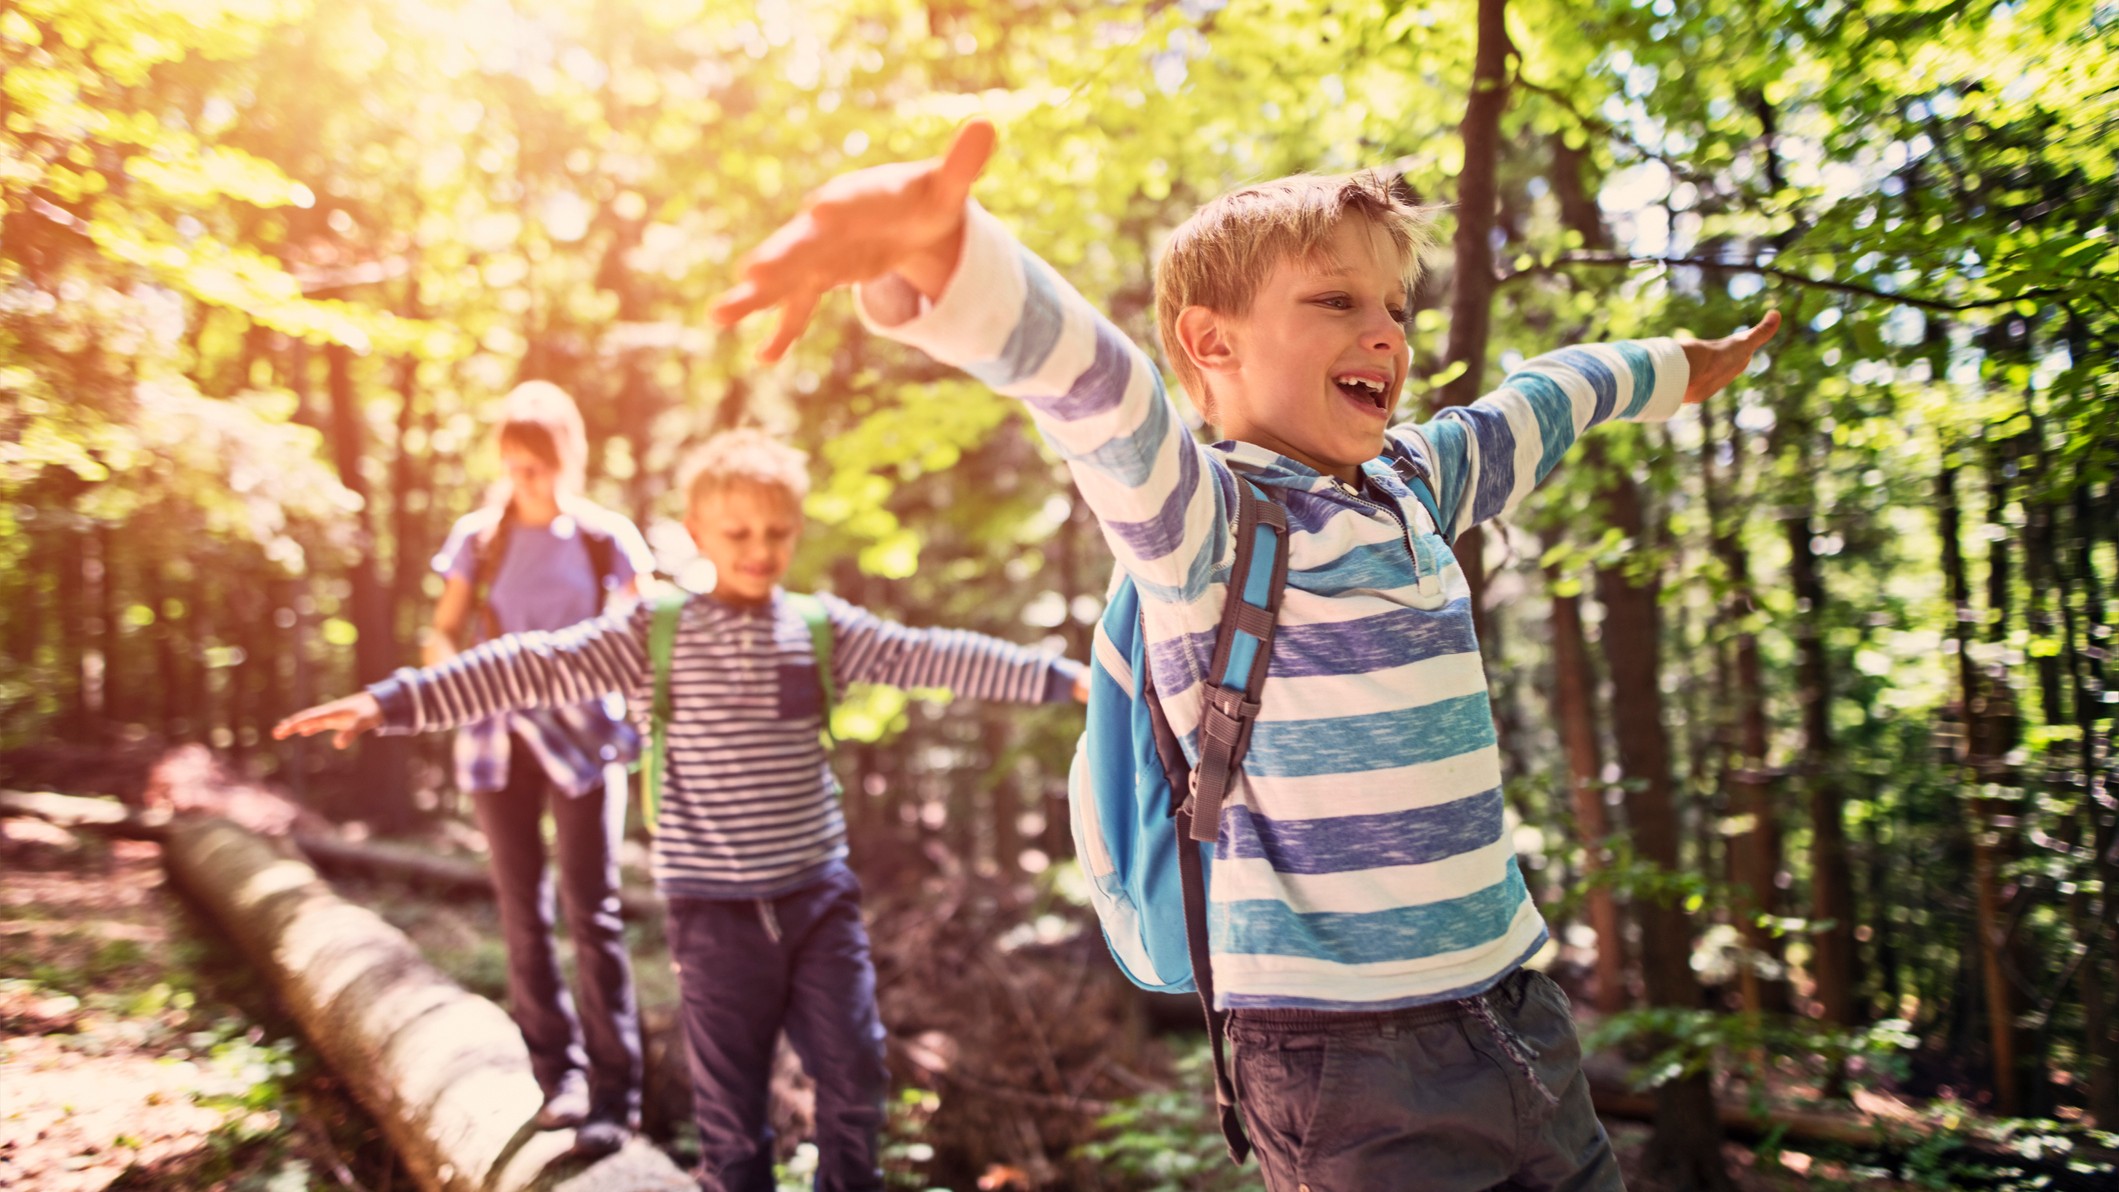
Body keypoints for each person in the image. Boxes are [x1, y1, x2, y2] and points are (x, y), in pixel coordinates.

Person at [708, 121, 1779, 1191]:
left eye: (1394, 310)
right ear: (1212, 344)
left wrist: (1680, 366)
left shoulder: (1419, 481)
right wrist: (951, 255)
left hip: (1516, 1012)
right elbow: (1098, 393)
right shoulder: (1206, 525)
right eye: (1336, 302)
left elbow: (1547, 397)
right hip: (1344, 1062)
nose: (1387, 336)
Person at [277, 427, 1088, 1192]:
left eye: (775, 533)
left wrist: (1063, 680)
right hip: (713, 912)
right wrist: (393, 703)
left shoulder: (817, 629)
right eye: (736, 535)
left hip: (817, 899)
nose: (759, 552)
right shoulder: (651, 632)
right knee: (732, 1116)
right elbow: (527, 665)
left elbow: (931, 655)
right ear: (697, 532)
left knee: (855, 1077)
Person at [424, 380, 653, 1154]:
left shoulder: (604, 539)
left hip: (588, 745)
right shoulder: (478, 542)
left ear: (568, 459)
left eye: (541, 465)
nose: (528, 480)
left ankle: (616, 1097)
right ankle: (561, 1077)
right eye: (515, 466)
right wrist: (452, 680)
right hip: (499, 744)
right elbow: (442, 632)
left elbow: (643, 633)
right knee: (525, 911)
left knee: (593, 911)